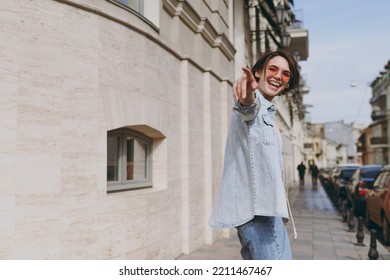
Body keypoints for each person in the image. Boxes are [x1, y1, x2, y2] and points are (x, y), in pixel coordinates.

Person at [209, 50, 300, 260]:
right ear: (258, 72)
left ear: (288, 83)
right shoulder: (256, 106)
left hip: (267, 213)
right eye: (273, 69)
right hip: (260, 215)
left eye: (285, 74)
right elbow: (248, 108)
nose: (278, 76)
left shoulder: (270, 112)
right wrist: (248, 93)